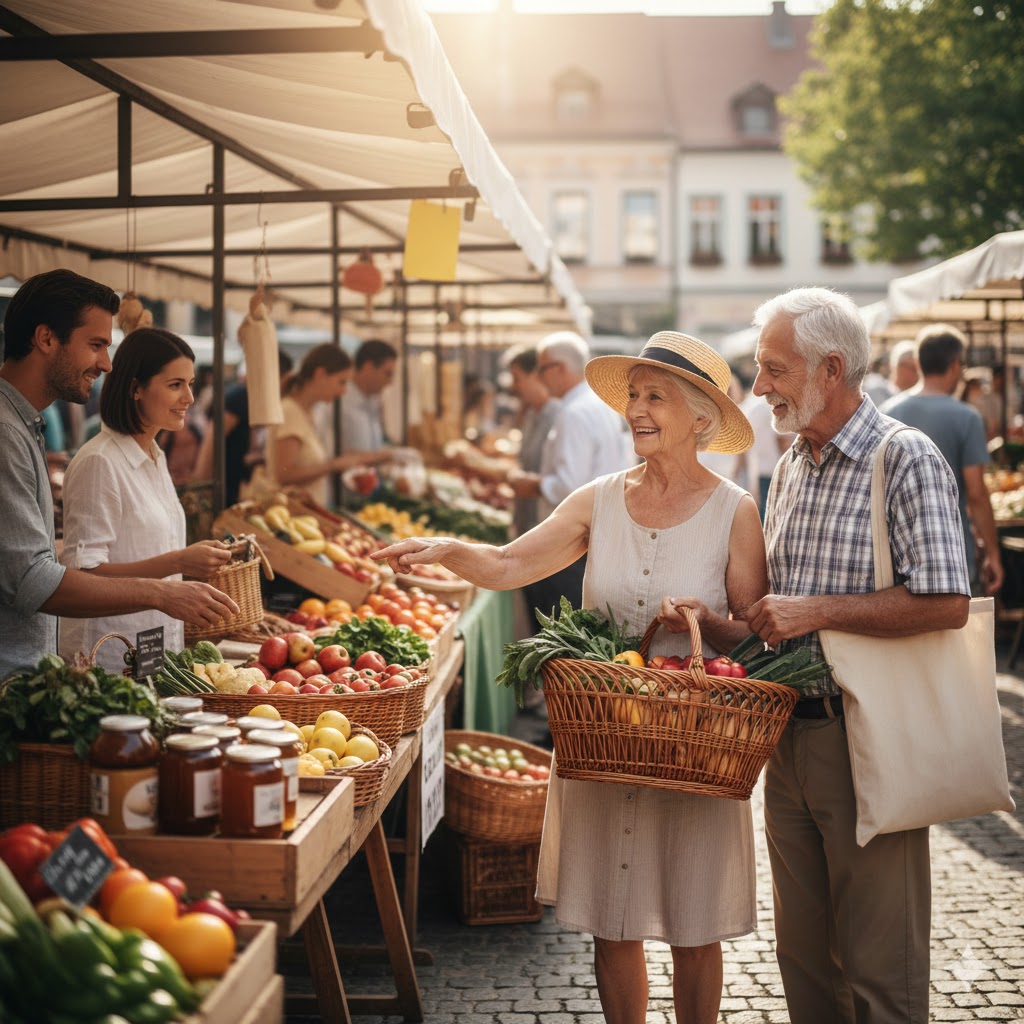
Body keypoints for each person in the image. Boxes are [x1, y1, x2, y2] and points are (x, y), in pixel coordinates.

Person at [374, 331, 766, 1024]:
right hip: (606, 738)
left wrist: (708, 617)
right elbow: (507, 565)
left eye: (656, 398)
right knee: (613, 921)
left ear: (702, 416)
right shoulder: (599, 499)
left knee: (694, 926)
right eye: (634, 397)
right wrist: (447, 551)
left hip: (693, 745)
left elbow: (749, 631)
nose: (636, 411)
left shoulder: (735, 510)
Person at [745, 287, 971, 1024]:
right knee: (805, 963)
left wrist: (815, 612)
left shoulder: (903, 458)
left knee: (881, 973)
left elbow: (947, 602)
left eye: (773, 369)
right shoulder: (792, 466)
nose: (759, 388)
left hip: (869, 740)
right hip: (789, 741)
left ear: (830, 368)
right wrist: (726, 632)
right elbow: (782, 607)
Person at [0, 270, 237, 678]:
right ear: (45, 338)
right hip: (43, 672)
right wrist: (165, 589)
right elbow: (33, 578)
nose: (106, 363)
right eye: (95, 345)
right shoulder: (11, 431)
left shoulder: (26, 426)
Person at [59, 328, 234, 671]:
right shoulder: (101, 461)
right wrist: (179, 561)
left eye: (191, 383)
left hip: (154, 647)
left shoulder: (154, 456)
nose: (189, 397)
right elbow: (84, 576)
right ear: (135, 388)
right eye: (175, 385)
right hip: (107, 658)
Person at [507, 331, 634, 621]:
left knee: (557, 628)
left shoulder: (574, 413)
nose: (539, 377)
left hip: (570, 540)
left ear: (559, 369)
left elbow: (570, 485)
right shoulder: (596, 406)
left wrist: (534, 485)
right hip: (592, 533)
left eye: (542, 369)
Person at [881, 324, 1004, 597]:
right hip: (951, 549)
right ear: (955, 364)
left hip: (894, 551)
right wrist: (993, 553)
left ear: (918, 362)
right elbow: (976, 493)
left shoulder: (888, 412)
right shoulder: (966, 417)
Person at [265, 343, 389, 507]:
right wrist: (333, 465)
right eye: (341, 382)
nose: (344, 391)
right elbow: (284, 474)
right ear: (320, 374)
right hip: (291, 512)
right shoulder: (290, 412)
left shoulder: (311, 413)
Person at [193, 350, 294, 507]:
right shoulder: (240, 396)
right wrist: (203, 488)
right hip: (222, 490)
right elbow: (212, 440)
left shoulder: (247, 397)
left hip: (231, 486)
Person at [504, 344, 560, 538]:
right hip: (527, 521)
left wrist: (533, 485)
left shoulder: (559, 416)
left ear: (536, 376)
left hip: (547, 526)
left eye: (517, 378)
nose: (514, 386)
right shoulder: (531, 414)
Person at [339, 338, 397, 453]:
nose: (390, 381)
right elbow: (333, 454)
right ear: (368, 367)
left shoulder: (373, 401)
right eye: (387, 373)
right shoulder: (340, 402)